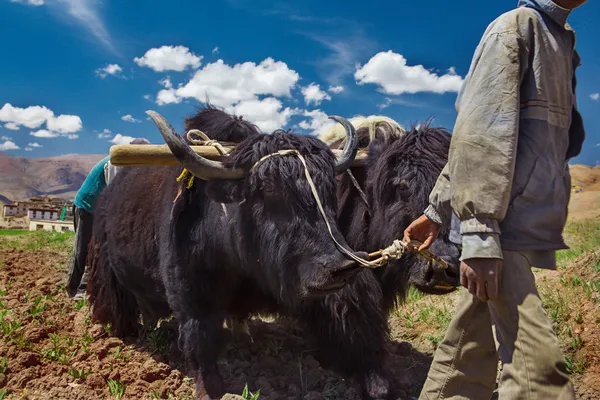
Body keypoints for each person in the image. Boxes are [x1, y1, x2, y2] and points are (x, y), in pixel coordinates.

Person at [403, 0, 587, 398]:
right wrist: (480, 235)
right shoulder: (515, 29)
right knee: (539, 371)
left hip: (519, 226)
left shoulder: (560, 43)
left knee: (468, 352)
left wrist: (436, 211)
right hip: (502, 230)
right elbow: (479, 136)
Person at [66, 137, 150, 300]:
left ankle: (86, 288)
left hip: (101, 210)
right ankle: (73, 289)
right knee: (82, 249)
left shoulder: (132, 166)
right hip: (87, 206)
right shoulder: (116, 162)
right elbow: (114, 191)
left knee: (97, 249)